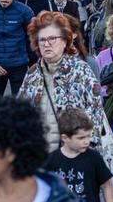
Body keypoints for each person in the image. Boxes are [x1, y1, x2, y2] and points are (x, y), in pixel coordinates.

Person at [19, 11, 107, 151]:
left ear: (65, 40)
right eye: (42, 40)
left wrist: (86, 147)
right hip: (41, 154)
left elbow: (96, 111)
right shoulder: (32, 74)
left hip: (75, 154)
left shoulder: (81, 69)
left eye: (52, 38)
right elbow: (21, 113)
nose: (47, 44)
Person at [47, 107, 113, 202]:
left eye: (88, 136)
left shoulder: (94, 157)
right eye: (81, 138)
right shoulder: (52, 160)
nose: (87, 141)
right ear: (64, 138)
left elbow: (107, 185)